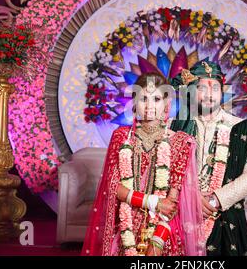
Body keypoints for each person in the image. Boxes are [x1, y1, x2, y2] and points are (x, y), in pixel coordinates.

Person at [82, 72, 205, 256]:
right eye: (143, 99)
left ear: (166, 105)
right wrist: (153, 202)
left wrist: (156, 242)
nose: (149, 106)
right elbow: (114, 187)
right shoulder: (122, 137)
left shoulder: (181, 142)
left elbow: (172, 204)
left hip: (164, 228)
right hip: (126, 225)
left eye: (156, 99)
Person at [171, 58, 247, 256]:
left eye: (215, 88)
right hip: (181, 211)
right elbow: (166, 171)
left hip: (224, 214)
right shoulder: (175, 126)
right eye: (202, 88)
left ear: (222, 92)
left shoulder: (240, 127)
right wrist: (191, 199)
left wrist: (215, 200)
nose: (208, 95)